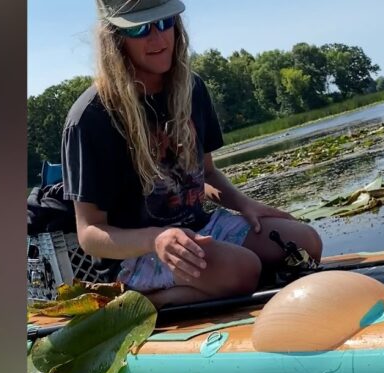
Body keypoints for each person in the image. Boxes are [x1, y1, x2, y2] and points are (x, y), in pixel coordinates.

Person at [61, 0, 322, 308]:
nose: (158, 39)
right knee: (244, 270)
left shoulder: (191, 86)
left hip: (202, 229)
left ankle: (217, 285)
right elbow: (89, 233)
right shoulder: (90, 117)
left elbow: (206, 174)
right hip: (138, 255)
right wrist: (156, 239)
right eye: (141, 29)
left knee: (306, 242)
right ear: (115, 39)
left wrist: (244, 204)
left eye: (164, 22)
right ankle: (138, 303)